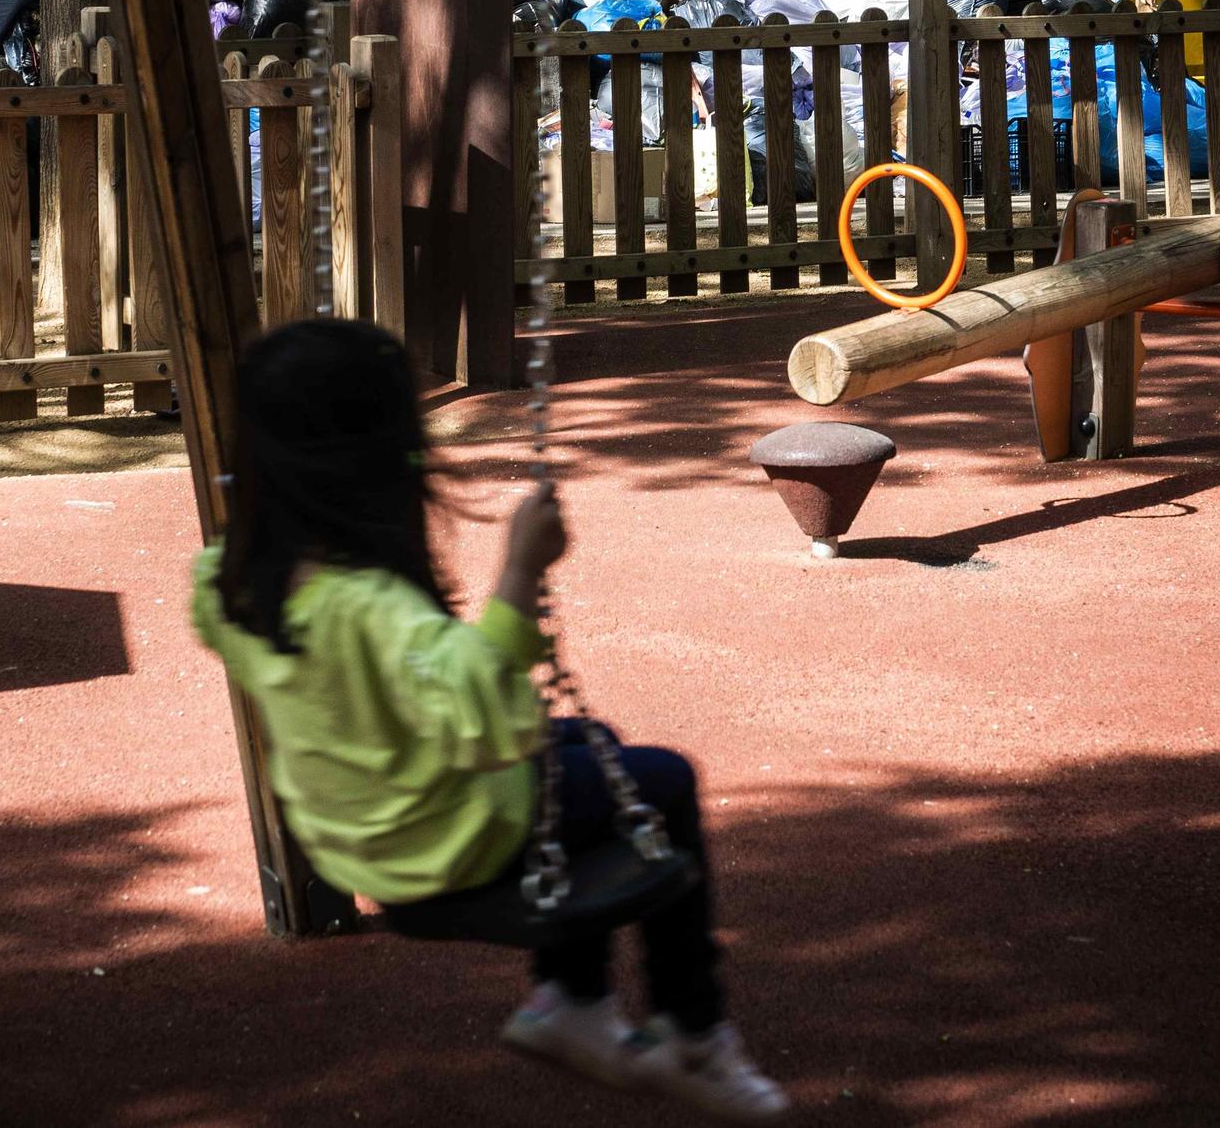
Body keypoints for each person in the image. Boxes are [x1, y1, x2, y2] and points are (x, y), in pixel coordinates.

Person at [191, 319, 789, 1122]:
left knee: (593, 747)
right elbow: (491, 719)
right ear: (376, 461)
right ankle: (697, 1030)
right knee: (664, 782)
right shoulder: (367, 608)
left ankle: (570, 999)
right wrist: (517, 571)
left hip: (352, 830)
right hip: (445, 841)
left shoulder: (226, 585)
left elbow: (422, 698)